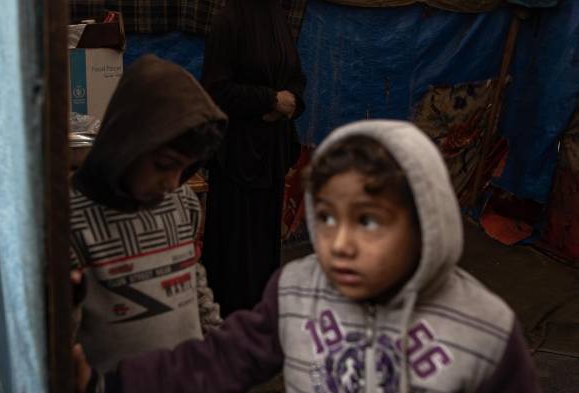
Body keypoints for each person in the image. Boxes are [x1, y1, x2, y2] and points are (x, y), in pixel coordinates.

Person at [75, 120, 541, 393]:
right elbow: (217, 360)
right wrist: (109, 384)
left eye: (369, 220)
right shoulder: (298, 289)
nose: (338, 244)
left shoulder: (486, 332)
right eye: (326, 217)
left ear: (426, 220)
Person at [69, 54, 228, 373]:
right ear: (127, 145)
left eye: (185, 168)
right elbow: (65, 348)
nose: (172, 183)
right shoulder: (70, 221)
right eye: (164, 165)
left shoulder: (183, 202)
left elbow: (193, 282)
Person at [200, 0, 307, 316]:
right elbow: (216, 90)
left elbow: (295, 78)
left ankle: (260, 319)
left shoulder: (276, 15)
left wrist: (290, 103)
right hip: (237, 156)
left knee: (262, 248)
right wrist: (270, 100)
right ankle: (230, 326)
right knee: (235, 250)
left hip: (270, 156)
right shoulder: (228, 19)